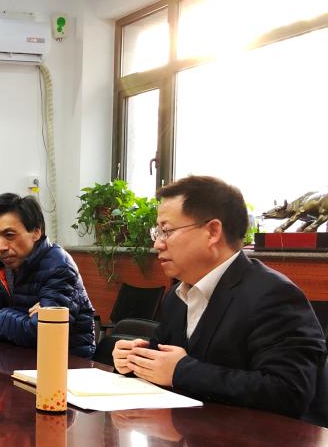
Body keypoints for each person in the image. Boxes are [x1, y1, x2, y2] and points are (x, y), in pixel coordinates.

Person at [113, 175, 328, 426]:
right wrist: (135, 360)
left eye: (167, 231)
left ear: (212, 232)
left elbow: (288, 392)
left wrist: (181, 371)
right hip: (194, 436)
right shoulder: (177, 296)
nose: (158, 244)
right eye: (157, 232)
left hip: (259, 444)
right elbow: (167, 360)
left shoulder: (274, 295)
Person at [0, 192, 96, 358]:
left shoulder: (59, 266)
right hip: (21, 359)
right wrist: (23, 322)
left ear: (36, 232)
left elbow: (42, 334)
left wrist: (1, 315)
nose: (1, 247)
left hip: (68, 365)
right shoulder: (6, 266)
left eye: (9, 235)